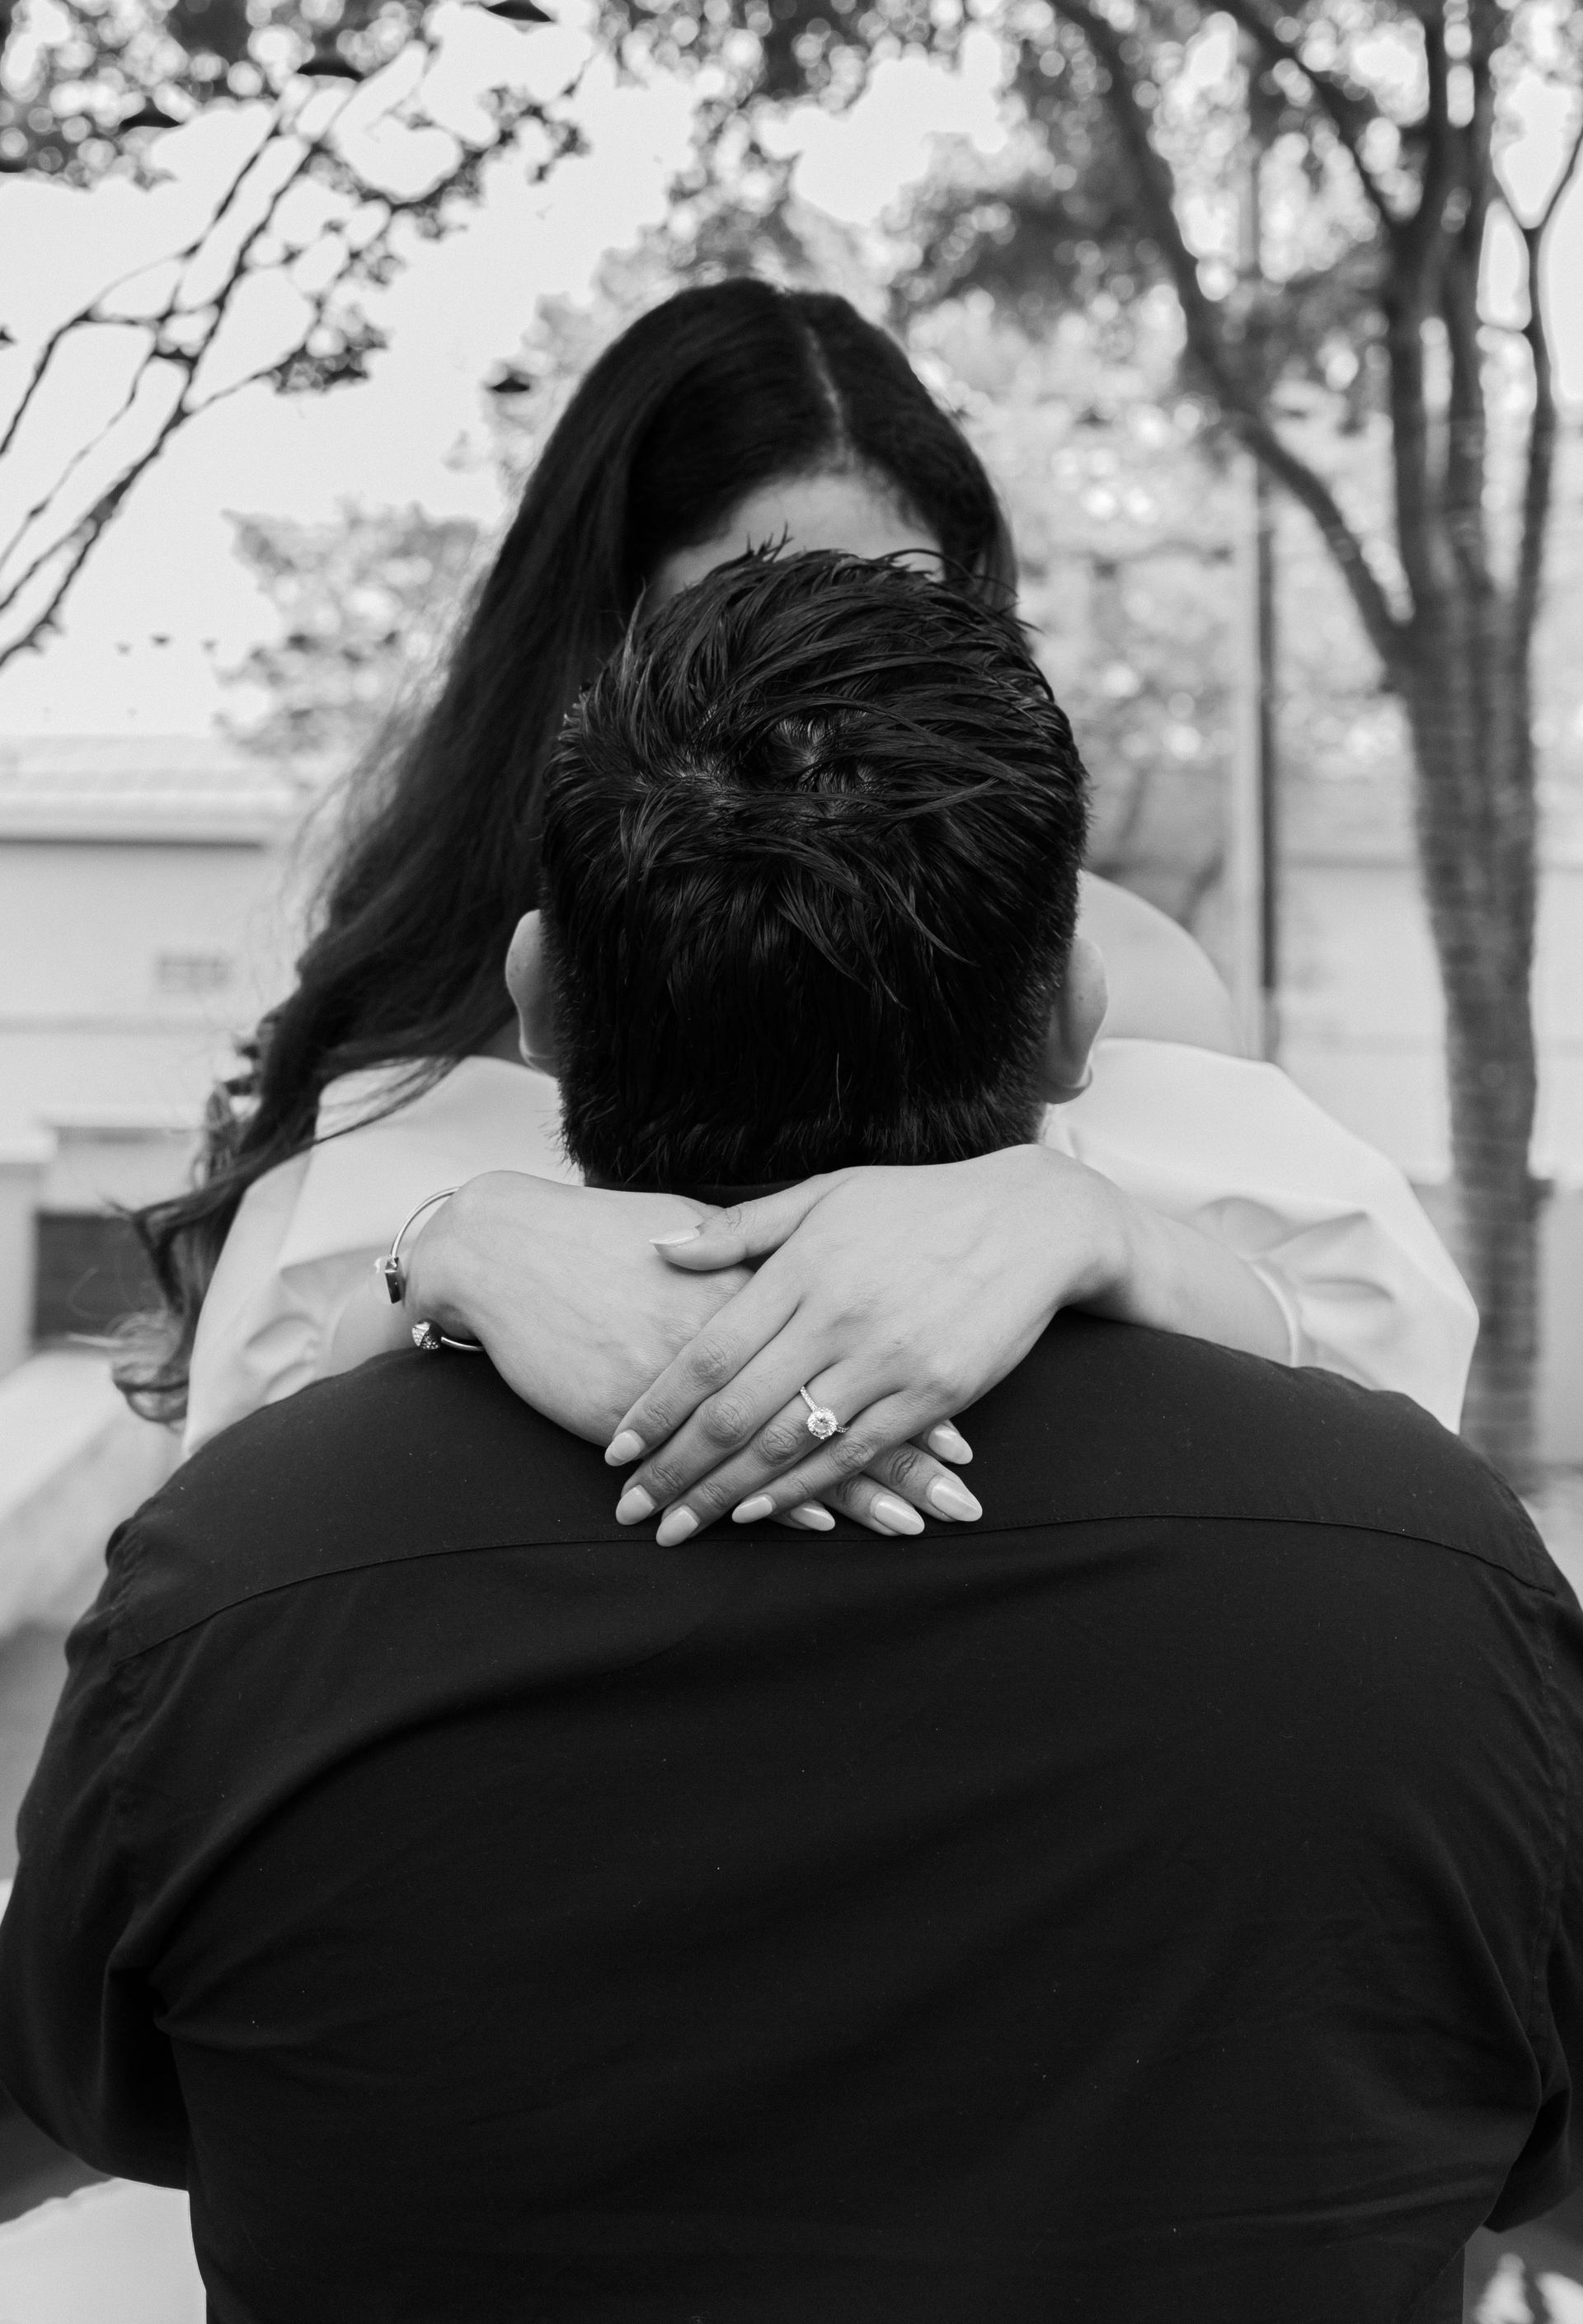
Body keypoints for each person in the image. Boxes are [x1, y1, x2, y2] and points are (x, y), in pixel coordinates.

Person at [5, 556, 1576, 2322]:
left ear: (538, 1003)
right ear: (1076, 1018)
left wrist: (419, 1263)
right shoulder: (1437, 1591)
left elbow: (63, 2098)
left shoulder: (234, 1588)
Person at [122, 278, 1476, 1538]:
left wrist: (1092, 1227)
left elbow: (1358, 1400)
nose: (827, 677)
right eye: (744, 598)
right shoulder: (431, 1011)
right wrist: (447, 1254)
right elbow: (239, 1497)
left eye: (903, 600)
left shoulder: (1134, 975)